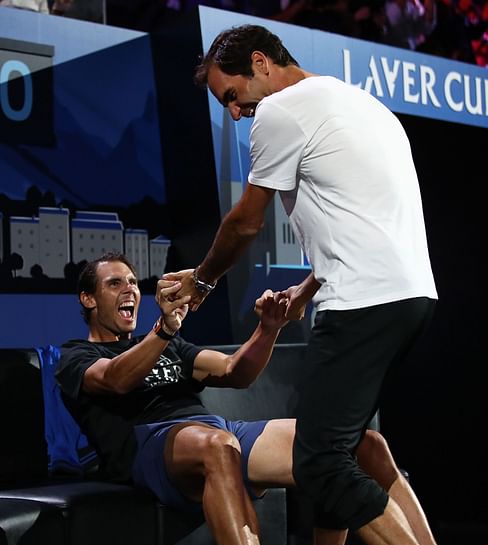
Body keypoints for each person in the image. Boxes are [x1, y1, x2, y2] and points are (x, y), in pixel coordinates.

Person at [171, 24, 438, 545]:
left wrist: (201, 282)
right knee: (344, 450)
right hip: (410, 297)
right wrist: (307, 289)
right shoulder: (360, 104)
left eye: (231, 94)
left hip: (362, 303)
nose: (234, 111)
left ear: (261, 63)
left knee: (316, 463)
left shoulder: (279, 110)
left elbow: (245, 222)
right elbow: (364, 220)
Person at [57, 252, 436, 545]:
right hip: (150, 444)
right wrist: (164, 329)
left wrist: (269, 328)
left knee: (358, 445)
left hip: (217, 431)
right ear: (88, 299)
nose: (130, 290)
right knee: (218, 446)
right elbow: (115, 380)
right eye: (114, 284)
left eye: (133, 282)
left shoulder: (167, 344)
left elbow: (235, 371)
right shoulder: (77, 355)